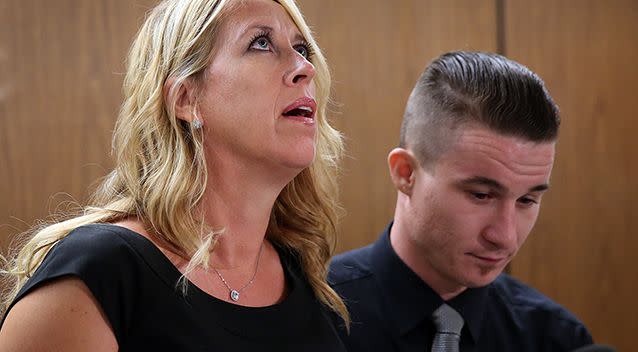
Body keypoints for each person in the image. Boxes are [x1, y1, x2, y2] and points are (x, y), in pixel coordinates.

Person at [0, 0, 349, 350]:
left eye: (302, 48)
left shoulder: (305, 276)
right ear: (186, 98)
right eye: (261, 43)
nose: (305, 67)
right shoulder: (100, 274)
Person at [329, 51, 593, 351]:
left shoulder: (557, 339)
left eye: (527, 200)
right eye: (481, 195)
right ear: (406, 174)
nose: (504, 238)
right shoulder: (308, 318)